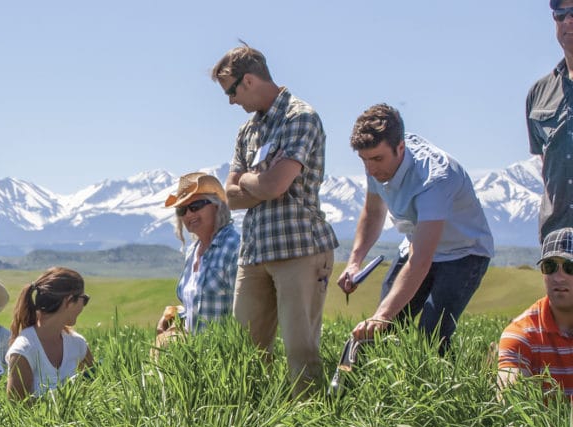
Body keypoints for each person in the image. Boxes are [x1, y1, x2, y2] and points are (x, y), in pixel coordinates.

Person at [212, 44, 338, 394]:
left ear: (248, 80)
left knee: (301, 351)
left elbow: (275, 184)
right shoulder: (246, 131)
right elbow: (231, 195)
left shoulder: (300, 116)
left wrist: (255, 180)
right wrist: (261, 180)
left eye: (231, 91)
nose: (230, 101)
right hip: (254, 252)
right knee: (244, 352)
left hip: (299, 247)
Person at [339, 104, 493, 352]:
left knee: (430, 336)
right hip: (415, 243)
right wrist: (354, 262)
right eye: (364, 160)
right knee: (383, 330)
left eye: (377, 159)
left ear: (401, 148)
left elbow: (421, 261)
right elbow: (372, 212)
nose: (370, 169)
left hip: (463, 254)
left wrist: (382, 316)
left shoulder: (434, 179)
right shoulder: (376, 159)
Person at [157, 172, 241, 338]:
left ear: (217, 205)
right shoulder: (193, 251)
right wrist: (175, 315)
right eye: (182, 209)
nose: (188, 214)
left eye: (195, 206)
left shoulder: (233, 246)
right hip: (197, 355)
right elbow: (198, 306)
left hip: (225, 356)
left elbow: (244, 312)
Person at [498, 227, 573, 396]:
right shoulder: (520, 335)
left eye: (570, 267)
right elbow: (511, 406)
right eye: (550, 266)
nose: (559, 277)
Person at [6, 267, 94, 400]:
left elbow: (94, 389)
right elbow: (16, 408)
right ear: (69, 301)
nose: (84, 305)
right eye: (84, 299)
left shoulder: (78, 344)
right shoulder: (24, 350)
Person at [527, 0, 573, 241]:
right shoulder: (539, 92)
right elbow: (547, 162)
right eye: (560, 14)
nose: (567, 20)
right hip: (556, 235)